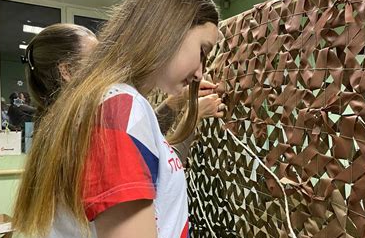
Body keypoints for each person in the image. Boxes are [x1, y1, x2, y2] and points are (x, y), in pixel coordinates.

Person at [13, 0, 274, 238]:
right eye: (202, 51)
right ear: (169, 30)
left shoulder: (102, 108)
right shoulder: (118, 111)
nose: (200, 71)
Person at [22, 22, 223, 163]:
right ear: (67, 71)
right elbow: (159, 174)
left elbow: (134, 132)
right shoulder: (82, 130)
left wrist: (175, 102)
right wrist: (192, 118)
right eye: (96, 59)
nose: (106, 66)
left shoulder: (55, 126)